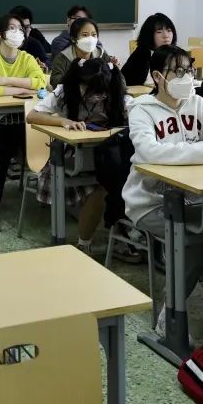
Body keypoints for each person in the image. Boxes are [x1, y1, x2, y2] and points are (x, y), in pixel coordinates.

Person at [123, 44, 203, 333]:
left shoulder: (197, 103)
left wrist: (186, 153)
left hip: (196, 198)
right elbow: (150, 152)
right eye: (178, 71)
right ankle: (170, 314)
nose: (186, 77)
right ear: (158, 77)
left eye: (189, 70)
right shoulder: (141, 110)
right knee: (195, 239)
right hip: (150, 201)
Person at [27, 56, 140, 261]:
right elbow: (32, 116)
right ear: (79, 82)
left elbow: (139, 116)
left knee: (127, 182)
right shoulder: (64, 91)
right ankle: (85, 244)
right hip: (72, 156)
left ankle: (122, 235)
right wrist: (63, 121)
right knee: (101, 189)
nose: (96, 98)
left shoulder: (116, 92)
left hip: (111, 157)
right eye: (90, 91)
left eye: (101, 94)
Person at [0, 14, 48, 192]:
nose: (18, 32)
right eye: (12, 28)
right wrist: (23, 89)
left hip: (21, 119)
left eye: (20, 29)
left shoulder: (27, 58)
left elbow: (41, 83)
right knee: (5, 139)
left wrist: (5, 81)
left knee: (14, 138)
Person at [49, 17, 118, 88]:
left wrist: (114, 70)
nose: (90, 39)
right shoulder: (63, 57)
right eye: (85, 35)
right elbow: (55, 81)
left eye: (94, 35)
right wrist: (79, 78)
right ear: (73, 39)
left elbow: (116, 82)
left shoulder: (101, 54)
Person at [121, 13, 177, 86]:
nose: (166, 36)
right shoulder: (141, 55)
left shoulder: (175, 53)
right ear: (149, 35)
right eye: (159, 32)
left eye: (169, 30)